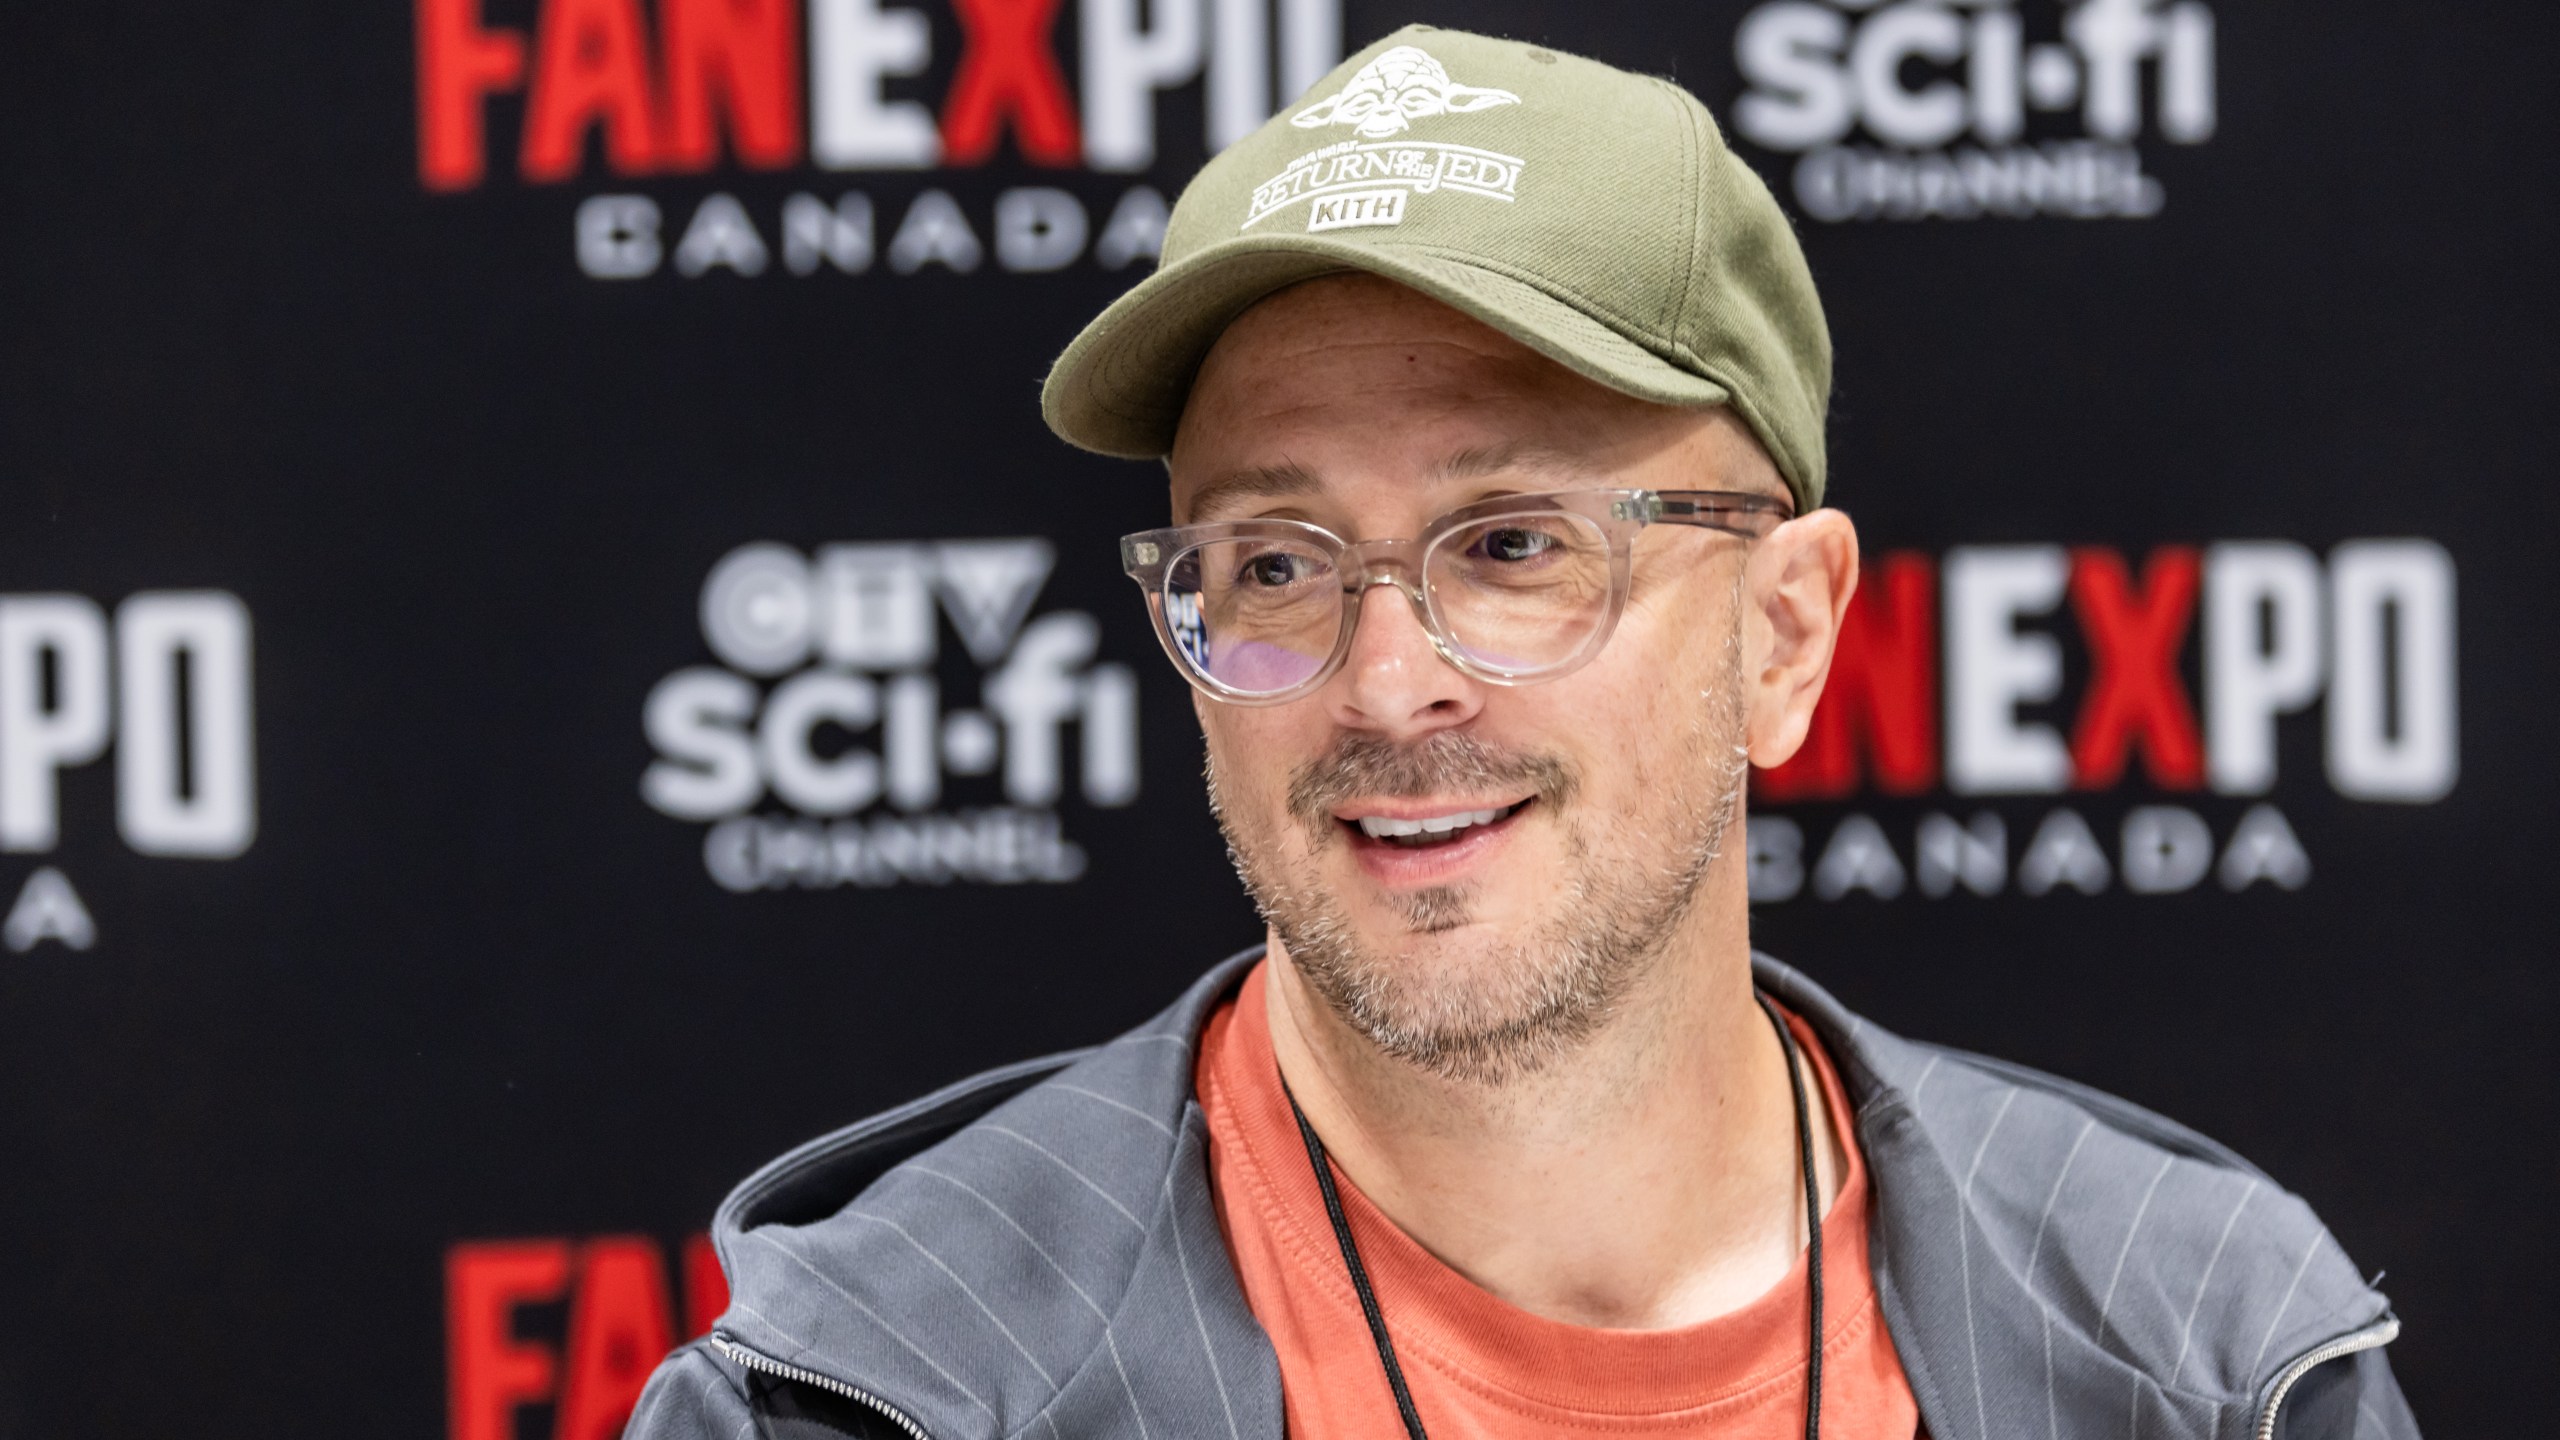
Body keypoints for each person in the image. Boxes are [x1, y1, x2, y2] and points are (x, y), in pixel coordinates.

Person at [630, 27, 2417, 1440]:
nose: (1389, 684)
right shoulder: (871, 1391)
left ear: (1786, 631)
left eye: (1513, 548)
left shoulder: (2212, 1360)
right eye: (1272, 560)